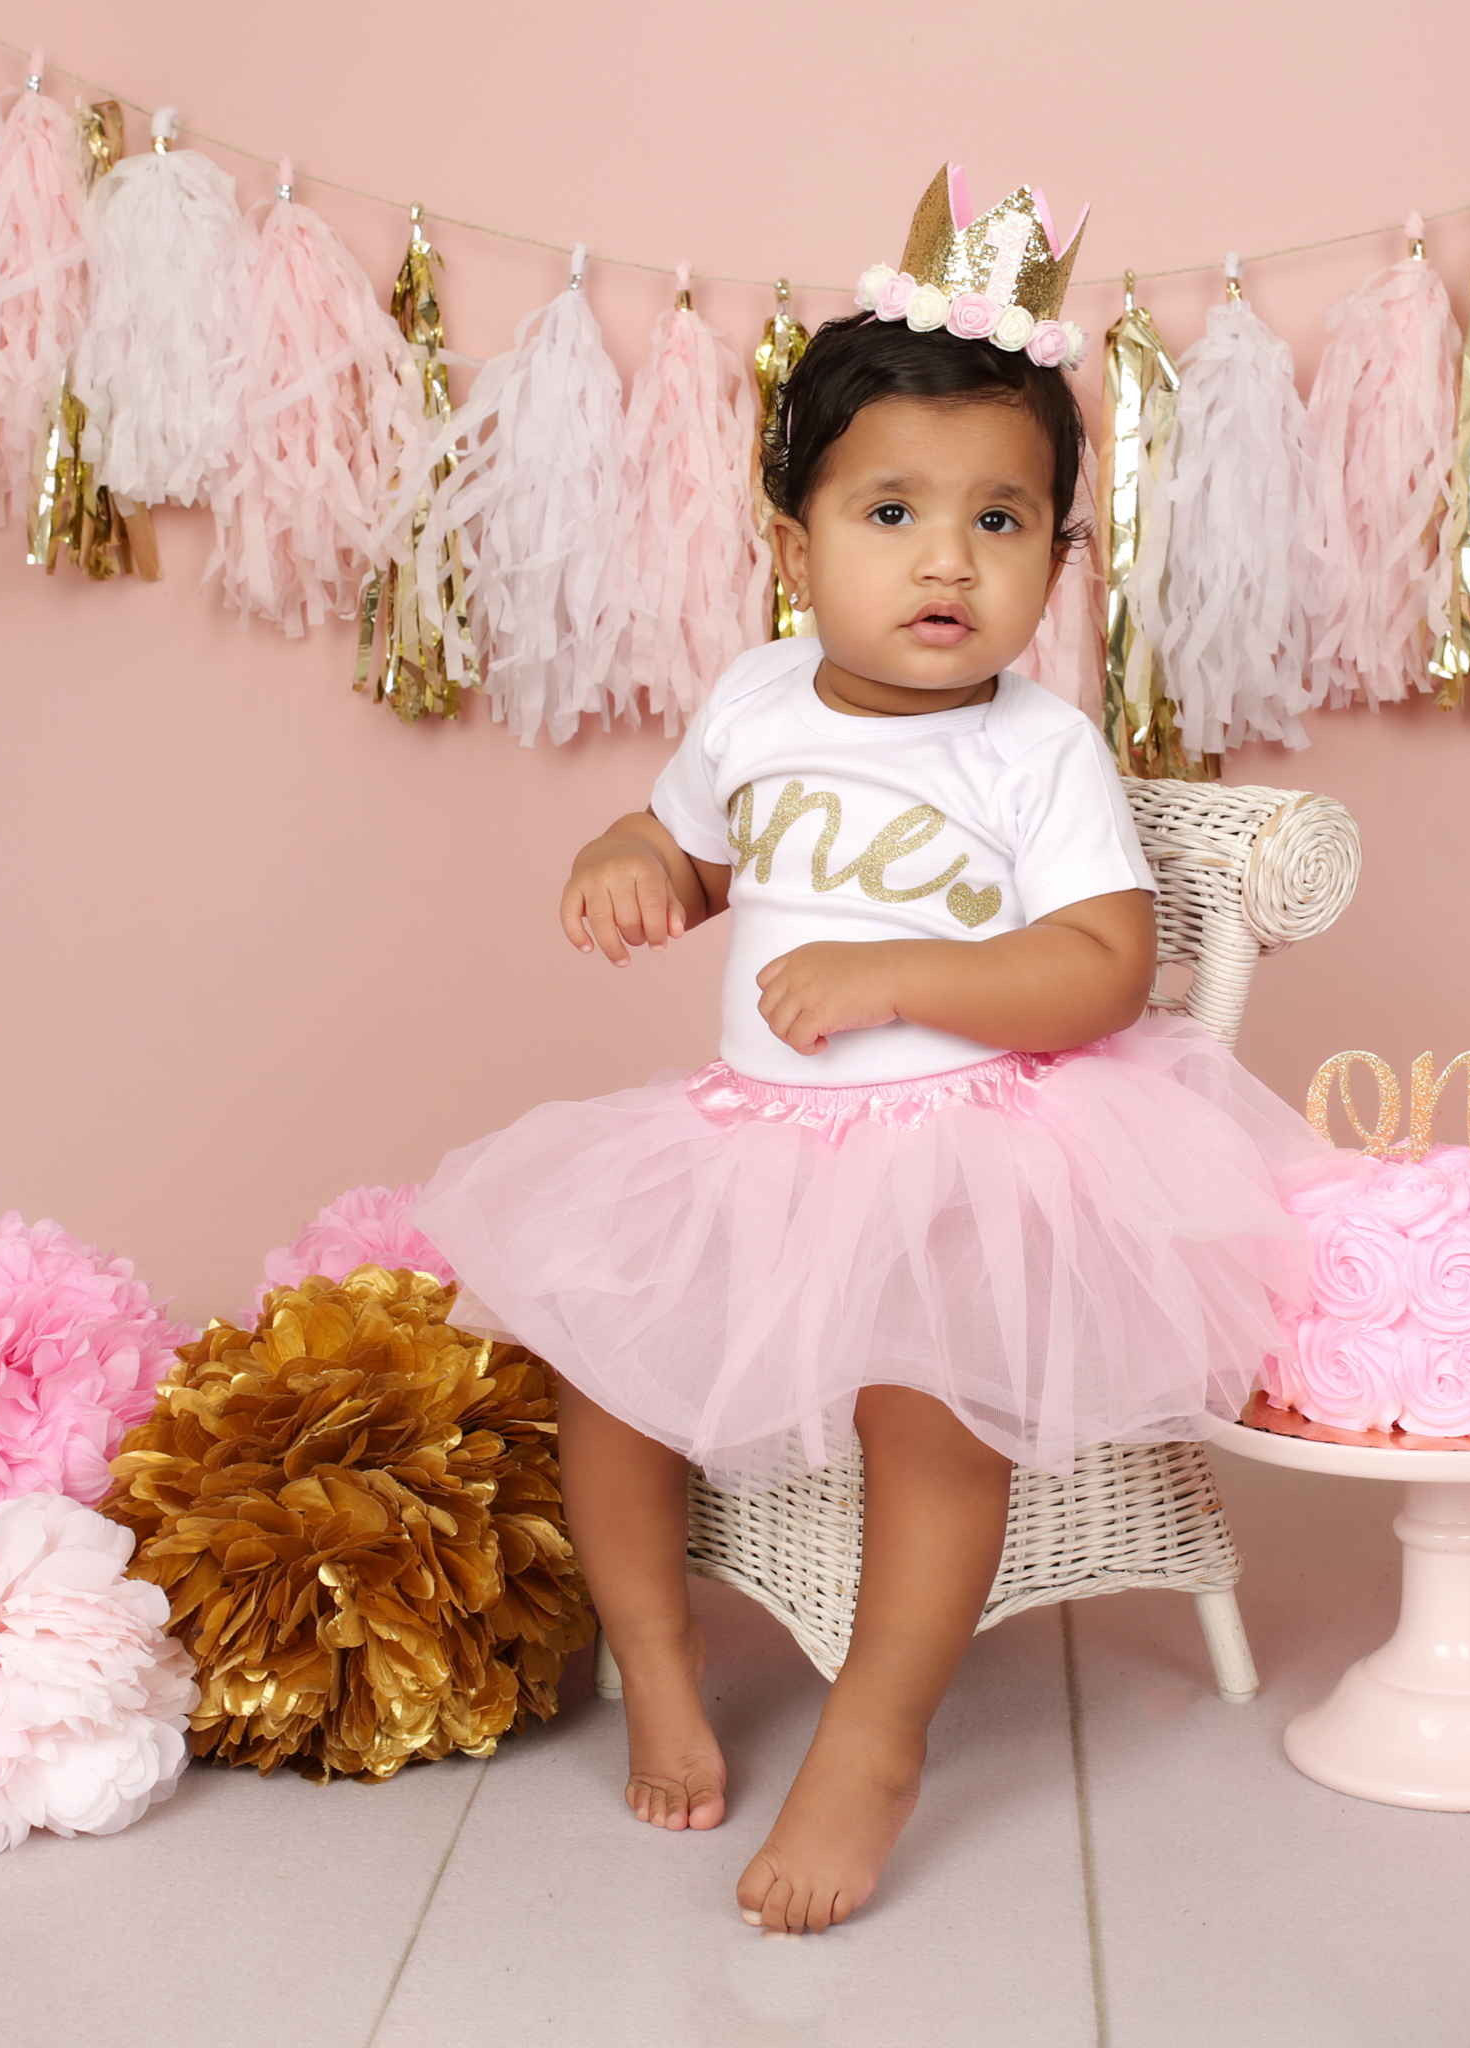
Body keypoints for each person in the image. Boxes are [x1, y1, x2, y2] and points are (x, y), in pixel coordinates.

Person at [414, 171, 1326, 1935]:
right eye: (893, 509)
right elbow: (689, 848)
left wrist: (909, 974)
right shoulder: (755, 700)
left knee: (935, 1405)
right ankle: (662, 1663)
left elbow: (1105, 969)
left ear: (1059, 561)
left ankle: (878, 1735)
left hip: (962, 1141)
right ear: (793, 539)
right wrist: (638, 864)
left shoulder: (1035, 750)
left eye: (1002, 523)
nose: (944, 561)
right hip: (755, 1135)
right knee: (604, 1370)